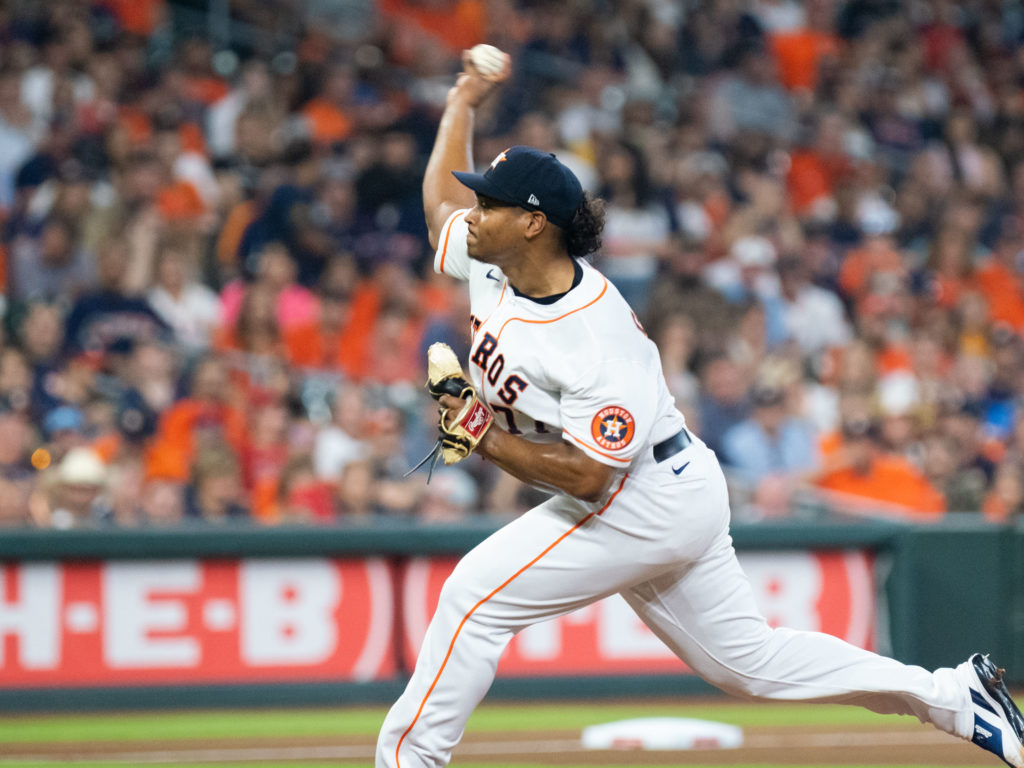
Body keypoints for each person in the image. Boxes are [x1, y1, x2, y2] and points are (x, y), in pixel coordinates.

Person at [376, 47, 1024, 768]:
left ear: (533, 224)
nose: (474, 212)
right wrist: (462, 104)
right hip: (669, 484)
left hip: (638, 493)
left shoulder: (594, 333)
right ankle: (955, 695)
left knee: (473, 597)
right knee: (748, 665)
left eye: (490, 203)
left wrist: (486, 441)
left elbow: (592, 478)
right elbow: (440, 203)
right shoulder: (493, 256)